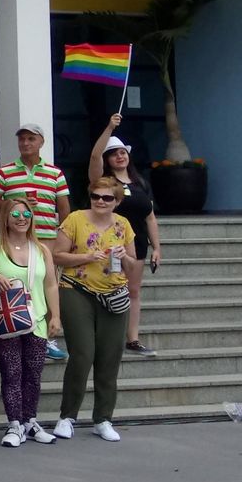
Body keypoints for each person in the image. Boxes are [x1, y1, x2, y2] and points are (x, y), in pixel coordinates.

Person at [51, 175, 136, 442]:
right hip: (77, 289)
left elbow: (133, 265)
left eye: (107, 197)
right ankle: (67, 416)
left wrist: (125, 257)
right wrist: (87, 256)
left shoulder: (123, 225)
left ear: (117, 201)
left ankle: (103, 418)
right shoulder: (75, 219)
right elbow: (57, 255)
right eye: (96, 196)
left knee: (110, 357)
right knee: (83, 354)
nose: (100, 201)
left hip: (114, 292)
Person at [0, 122, 73, 361]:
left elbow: (64, 208)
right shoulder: (5, 172)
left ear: (41, 142)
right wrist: (17, 201)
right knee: (19, 285)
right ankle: (14, 328)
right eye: (22, 139)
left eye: (31, 139)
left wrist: (65, 237)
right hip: (14, 238)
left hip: (46, 237)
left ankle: (47, 337)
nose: (25, 143)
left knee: (46, 286)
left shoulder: (55, 173)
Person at [0, 196, 61, 448]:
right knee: (12, 372)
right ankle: (14, 423)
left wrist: (55, 316)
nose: (21, 219)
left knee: (34, 374)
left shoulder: (41, 249)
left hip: (36, 318)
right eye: (15, 214)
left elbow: (50, 283)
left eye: (26, 215)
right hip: (6, 321)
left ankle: (30, 420)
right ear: (5, 218)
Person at [89, 115, 162, 357]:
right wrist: (110, 127)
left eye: (123, 152)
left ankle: (133, 338)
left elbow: (150, 217)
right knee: (105, 287)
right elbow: (94, 157)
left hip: (137, 243)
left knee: (133, 290)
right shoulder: (105, 182)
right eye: (114, 153)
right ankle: (105, 336)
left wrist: (157, 248)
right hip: (108, 242)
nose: (120, 156)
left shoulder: (140, 181)